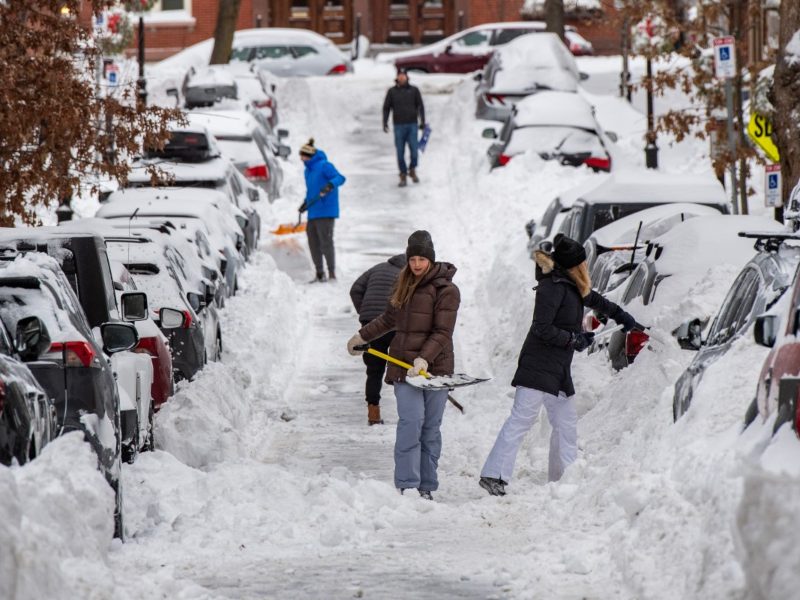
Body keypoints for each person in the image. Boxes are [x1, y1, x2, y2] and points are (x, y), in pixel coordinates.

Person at [479, 234, 641, 497]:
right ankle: (493, 474)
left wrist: (620, 314)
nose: (586, 268)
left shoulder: (571, 284)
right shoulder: (552, 287)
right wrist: (573, 339)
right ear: (574, 266)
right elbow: (541, 328)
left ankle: (565, 477)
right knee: (522, 418)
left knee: (565, 422)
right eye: (583, 264)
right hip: (538, 364)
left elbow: (595, 300)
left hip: (557, 368)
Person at [347, 231, 459, 500]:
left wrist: (425, 358)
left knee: (430, 429)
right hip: (403, 367)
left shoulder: (448, 290)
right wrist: (362, 336)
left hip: (435, 371)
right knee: (411, 422)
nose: (417, 264)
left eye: (422, 259)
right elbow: (388, 319)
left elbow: (443, 332)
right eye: (413, 259)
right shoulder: (403, 284)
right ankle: (408, 484)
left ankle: (427, 486)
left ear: (430, 259)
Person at [349, 253, 408, 425]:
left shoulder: (377, 268)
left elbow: (355, 289)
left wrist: (365, 314)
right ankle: (407, 412)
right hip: (394, 324)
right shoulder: (406, 275)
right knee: (401, 367)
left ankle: (373, 411)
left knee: (374, 369)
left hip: (370, 326)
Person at [298, 138, 346, 283]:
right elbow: (311, 191)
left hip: (326, 211)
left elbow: (340, 178)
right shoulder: (307, 170)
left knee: (326, 242)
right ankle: (320, 273)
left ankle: (331, 273)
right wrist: (305, 203)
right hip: (313, 211)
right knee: (313, 243)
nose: (301, 158)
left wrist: (330, 185)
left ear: (309, 155)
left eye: (303, 156)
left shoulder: (325, 165)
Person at [382, 70, 425, 188]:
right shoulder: (392, 92)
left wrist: (423, 121)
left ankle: (412, 169)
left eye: (403, 75)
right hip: (398, 126)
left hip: (412, 125)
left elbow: (420, 106)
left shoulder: (414, 90)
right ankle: (402, 174)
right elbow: (386, 108)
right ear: (397, 77)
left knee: (414, 151)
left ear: (407, 77)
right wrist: (384, 122)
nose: (401, 77)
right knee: (400, 152)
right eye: (399, 75)